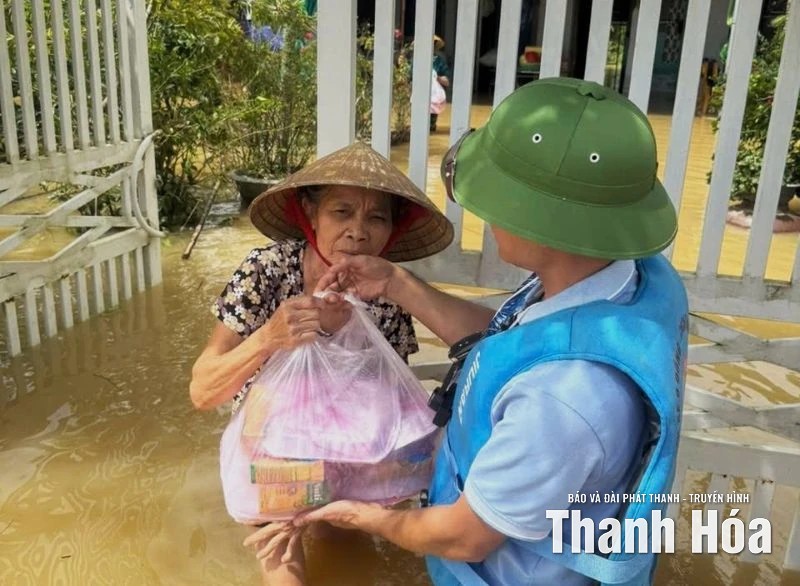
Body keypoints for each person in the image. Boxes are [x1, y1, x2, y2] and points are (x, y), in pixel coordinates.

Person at [246, 77, 689, 585]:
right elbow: (517, 343)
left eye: (499, 200)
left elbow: (463, 537)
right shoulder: (629, 277)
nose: (487, 216)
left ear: (542, 220)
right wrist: (395, 283)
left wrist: (365, 516)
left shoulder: (562, 399)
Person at [190, 142, 453, 585]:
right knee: (282, 556)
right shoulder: (268, 271)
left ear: (392, 229)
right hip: (272, 447)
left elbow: (392, 400)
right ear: (310, 215)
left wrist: (390, 477)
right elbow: (202, 392)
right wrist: (268, 338)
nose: (358, 233)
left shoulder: (384, 288)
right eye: (341, 212)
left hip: (351, 450)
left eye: (376, 218)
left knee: (348, 549)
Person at [431, 35, 451, 132]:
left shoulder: (439, 61)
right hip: (420, 92)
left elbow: (446, 79)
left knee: (431, 123)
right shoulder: (417, 59)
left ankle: (431, 124)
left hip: (434, 94)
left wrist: (437, 78)